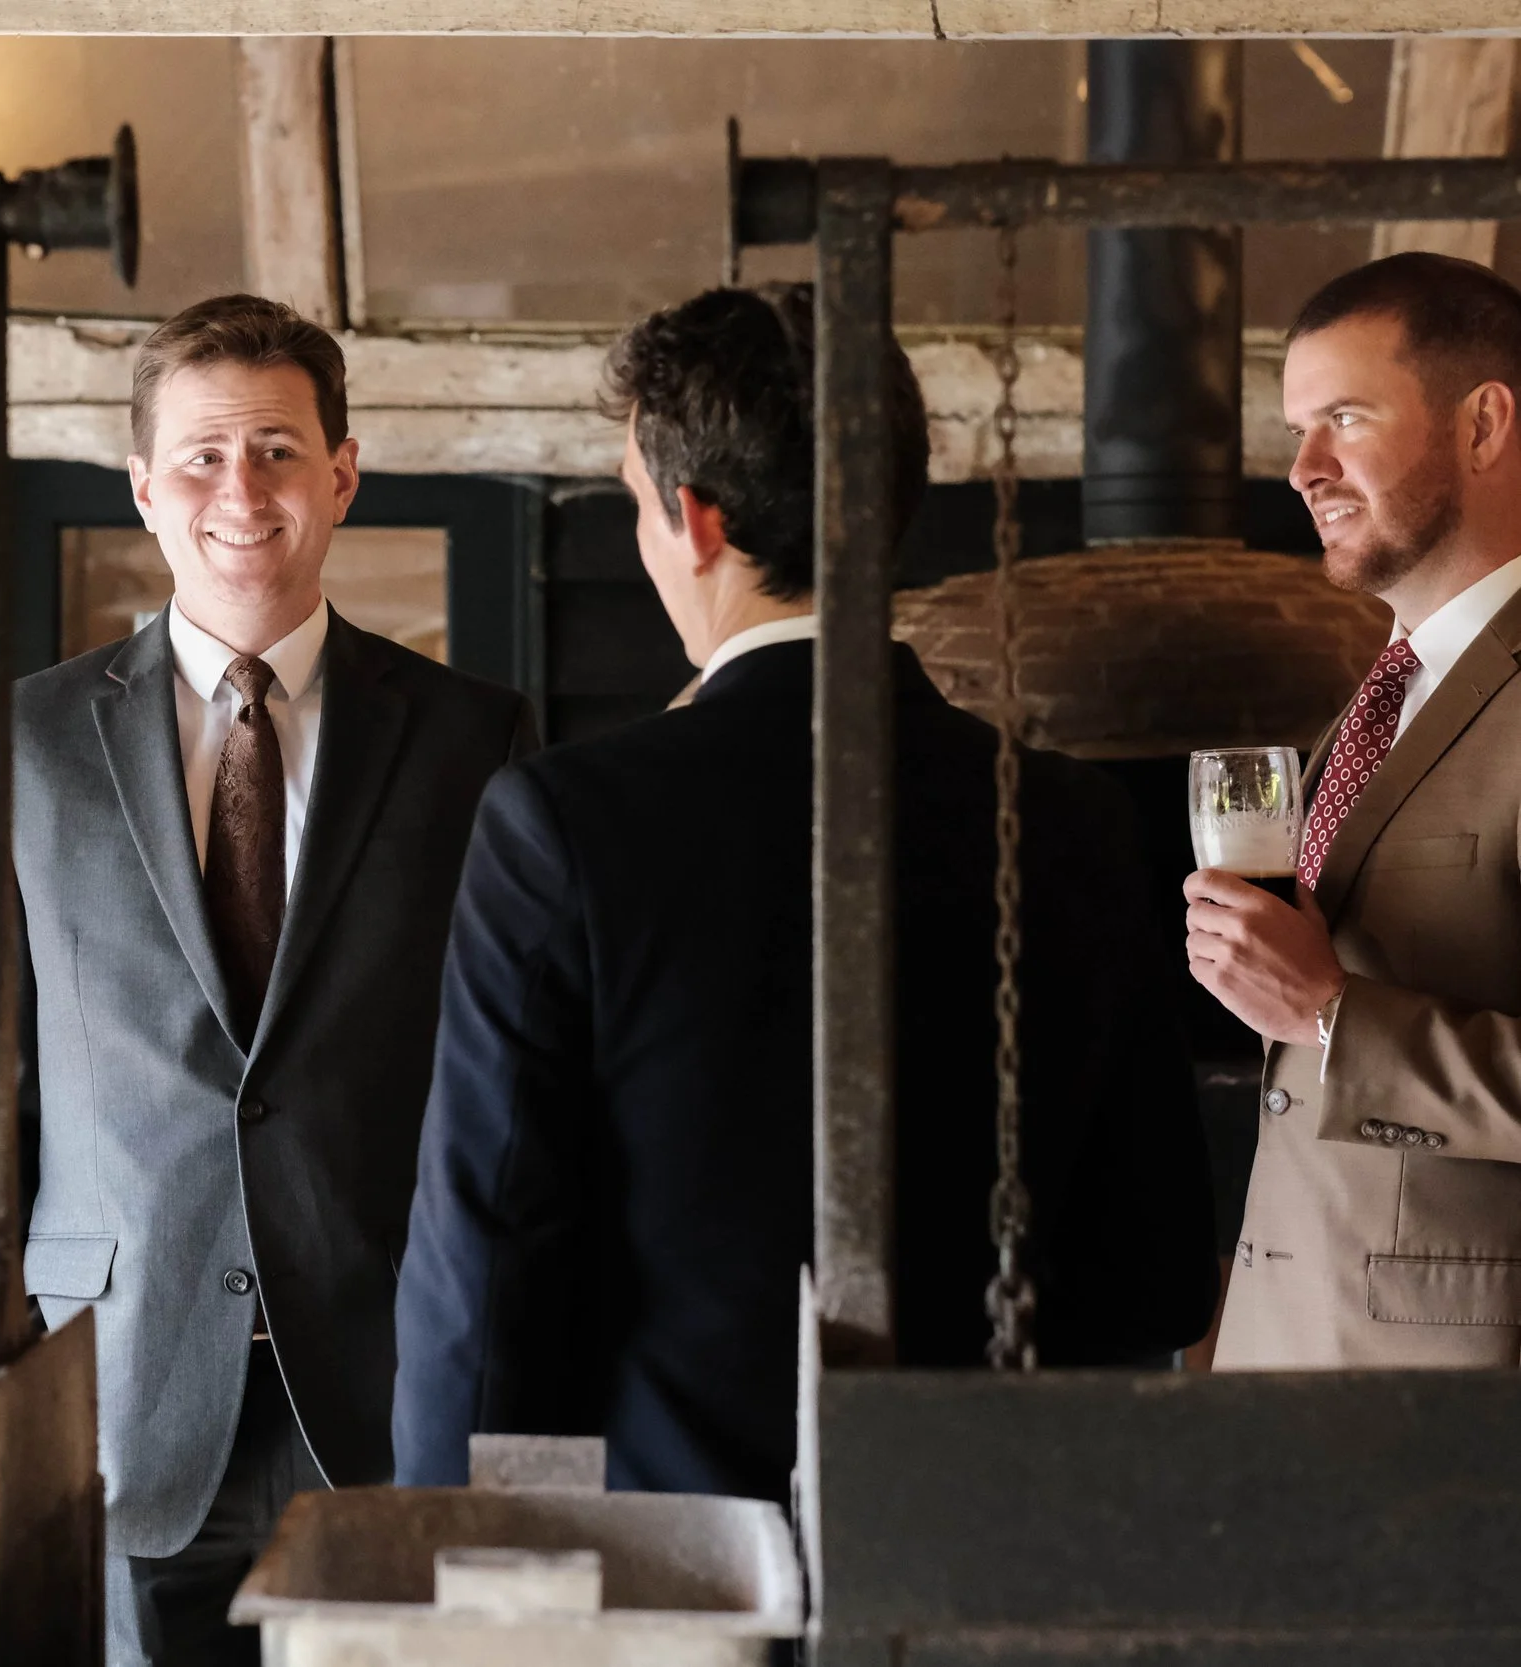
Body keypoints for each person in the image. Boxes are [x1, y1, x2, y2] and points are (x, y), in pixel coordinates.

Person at [393, 285, 1220, 1502]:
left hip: (680, 1542)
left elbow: (487, 1250)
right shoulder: (1077, 820)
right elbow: (1154, 1274)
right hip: (991, 1519)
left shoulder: (563, 823)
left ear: (695, 519)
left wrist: (446, 1538)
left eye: (633, 504)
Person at [9, 294, 534, 1665]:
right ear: (142, 486)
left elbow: (514, 1074)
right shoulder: (30, 740)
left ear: (341, 474)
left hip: (383, 1374)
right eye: (201, 455)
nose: (240, 491)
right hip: (116, 1373)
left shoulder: (473, 739)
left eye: (278, 451)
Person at [1191, 253, 1521, 1369]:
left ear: (1483, 425)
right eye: (1298, 430)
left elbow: (1330, 1021)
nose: (1302, 470)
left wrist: (1332, 1015)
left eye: (1344, 418)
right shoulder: (1390, 688)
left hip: (1461, 1405)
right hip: (1294, 1361)